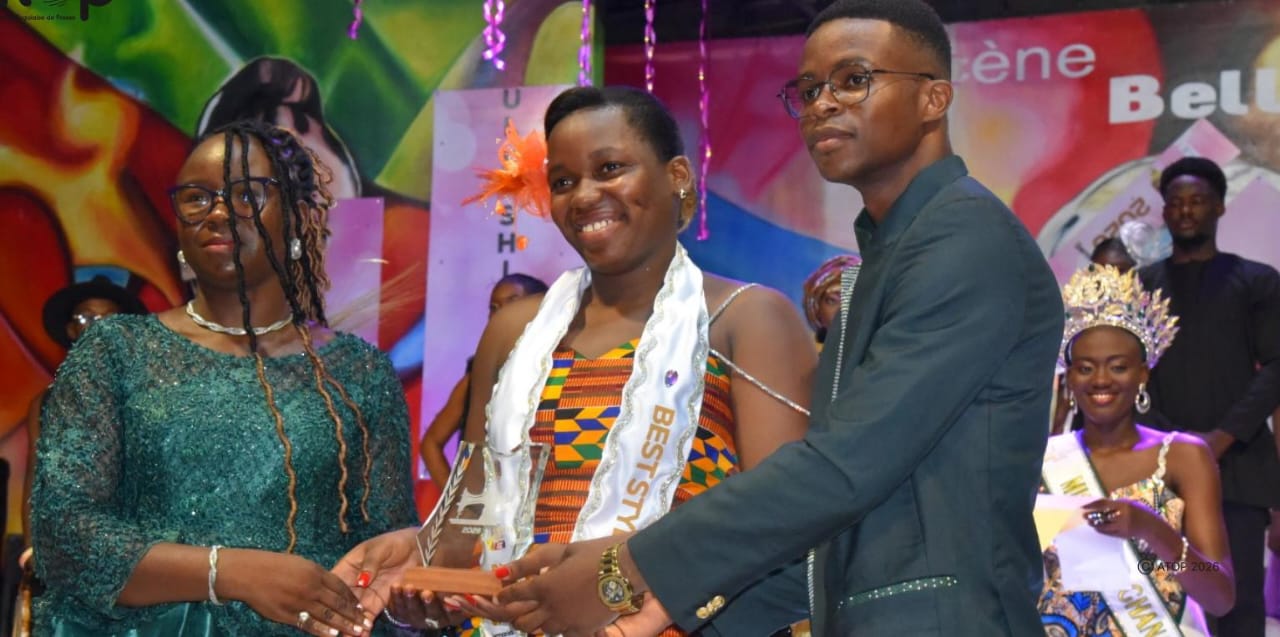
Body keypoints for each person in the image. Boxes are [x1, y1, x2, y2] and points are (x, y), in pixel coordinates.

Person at [489, 1, 1065, 636]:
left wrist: (624, 568)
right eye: (809, 89)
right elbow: (845, 537)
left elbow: (842, 469)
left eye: (853, 80)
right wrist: (650, 608)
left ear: (934, 99)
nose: (822, 104)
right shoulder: (890, 257)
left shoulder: (965, 240)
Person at [331, 85, 816, 636]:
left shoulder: (747, 318)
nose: (584, 196)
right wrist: (423, 570)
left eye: (610, 168)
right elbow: (473, 510)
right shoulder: (515, 330)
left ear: (678, 174)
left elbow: (784, 522)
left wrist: (616, 582)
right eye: (563, 182)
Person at [29, 120, 417, 636]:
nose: (217, 212)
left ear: (299, 217)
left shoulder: (358, 371)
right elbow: (63, 533)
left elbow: (383, 549)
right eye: (197, 197)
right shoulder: (116, 353)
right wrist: (229, 572)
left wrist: (408, 594)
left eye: (246, 194)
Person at [1039, 264, 1234, 635]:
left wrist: (1152, 529)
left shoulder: (1183, 455)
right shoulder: (1045, 460)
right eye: (1085, 368)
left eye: (1117, 367)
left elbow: (1220, 595)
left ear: (1143, 374)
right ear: (1070, 378)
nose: (1100, 380)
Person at [1138, 156, 1280, 637]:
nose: (1185, 211)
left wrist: (1221, 438)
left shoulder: (1257, 281)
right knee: (1165, 602)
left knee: (1236, 605)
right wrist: (1173, 441)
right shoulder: (1141, 286)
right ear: (1164, 211)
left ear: (1219, 207)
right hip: (1158, 469)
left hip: (1237, 468)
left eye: (1196, 201)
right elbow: (1132, 376)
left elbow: (1277, 367)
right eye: (1175, 202)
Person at [419, 273, 549, 488]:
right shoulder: (480, 373)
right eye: (494, 307)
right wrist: (456, 500)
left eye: (512, 302)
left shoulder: (560, 363)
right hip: (495, 507)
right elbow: (431, 443)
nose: (502, 313)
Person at [800, 255, 860, 346]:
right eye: (832, 301)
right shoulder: (804, 355)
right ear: (817, 311)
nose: (842, 310)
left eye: (851, 301)